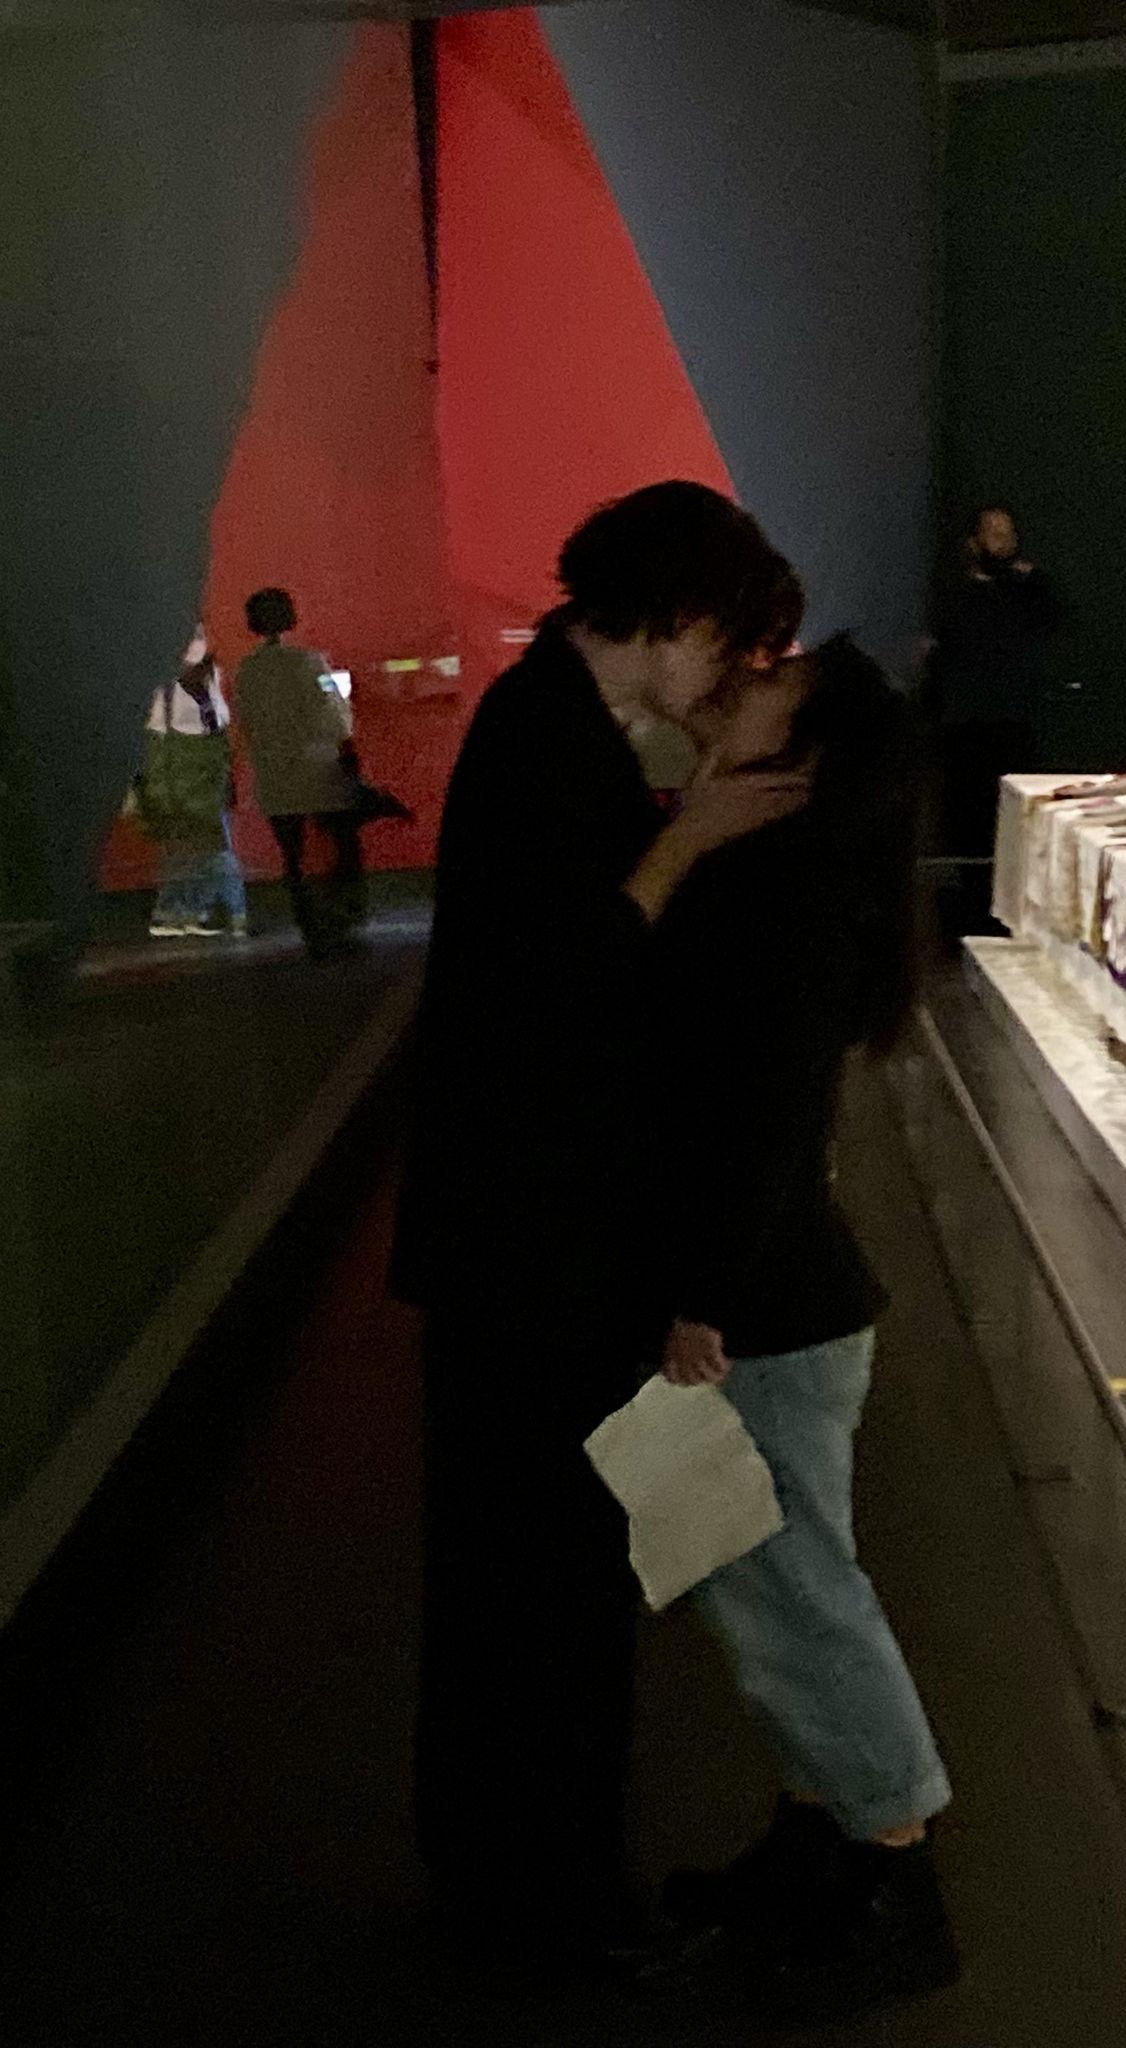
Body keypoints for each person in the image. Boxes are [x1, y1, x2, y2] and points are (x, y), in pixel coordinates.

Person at [391, 481, 810, 1980]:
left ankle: (529, 1889)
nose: (722, 677)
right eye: (726, 643)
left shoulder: (550, 728)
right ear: (678, 614)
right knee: (536, 1590)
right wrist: (681, 840)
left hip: (525, 1234)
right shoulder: (538, 735)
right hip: (527, 1245)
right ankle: (535, 1908)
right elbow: (547, 984)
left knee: (536, 1581)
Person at [651, 635, 957, 2025]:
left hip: (753, 1311)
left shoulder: (777, 897)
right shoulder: (765, 874)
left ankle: (895, 1870)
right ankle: (815, 1835)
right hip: (748, 1301)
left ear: (806, 751)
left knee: (796, 1593)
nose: (744, 674)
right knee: (745, 1588)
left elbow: (757, 1129)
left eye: (775, 676)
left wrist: (695, 1295)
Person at [927, 506, 1056, 928]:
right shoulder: (955, 589)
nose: (1001, 540)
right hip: (967, 724)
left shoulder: (1029, 585)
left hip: (1014, 720)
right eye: (992, 532)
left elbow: (1052, 622)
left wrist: (1024, 580)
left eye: (1007, 532)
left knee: (1016, 811)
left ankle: (1019, 906)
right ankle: (973, 907)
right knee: (972, 816)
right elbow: (946, 639)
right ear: (973, 540)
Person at [232, 587, 364, 958]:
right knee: (335, 848)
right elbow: (333, 713)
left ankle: (309, 926)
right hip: (318, 773)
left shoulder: (247, 672)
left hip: (274, 778)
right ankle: (338, 923)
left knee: (293, 855)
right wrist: (346, 746)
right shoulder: (311, 663)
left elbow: (246, 721)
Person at [136, 627, 248, 939]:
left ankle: (176, 913)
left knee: (184, 851)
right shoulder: (184, 683)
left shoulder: (194, 678)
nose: (198, 643)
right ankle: (229, 913)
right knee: (214, 850)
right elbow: (215, 725)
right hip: (196, 785)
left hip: (184, 786)